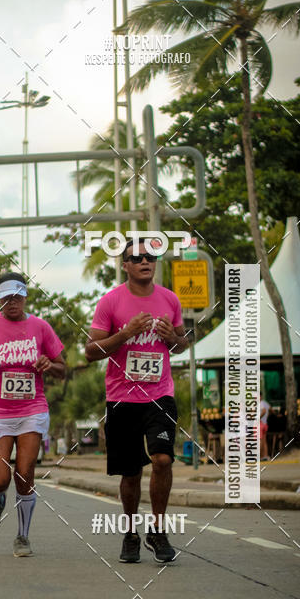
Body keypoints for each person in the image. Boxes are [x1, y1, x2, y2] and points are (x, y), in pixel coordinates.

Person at [85, 239, 189, 564]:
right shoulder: (110, 302)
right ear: (125, 265)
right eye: (137, 257)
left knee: (162, 460)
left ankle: (157, 530)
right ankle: (130, 533)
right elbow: (90, 352)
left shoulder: (170, 299)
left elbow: (181, 343)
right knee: (130, 473)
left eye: (150, 256)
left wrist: (174, 339)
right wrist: (126, 333)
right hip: (121, 399)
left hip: (160, 395)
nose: (145, 261)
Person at [0, 272, 65, 557]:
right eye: (6, 297)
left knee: (24, 473)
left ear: (25, 296)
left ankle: (22, 537)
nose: (12, 302)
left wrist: (49, 364)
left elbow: (62, 368)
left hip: (32, 409)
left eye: (17, 296)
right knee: (0, 480)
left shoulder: (41, 327)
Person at [259, 392, 271, 461]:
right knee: (264, 440)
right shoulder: (264, 403)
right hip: (265, 424)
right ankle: (265, 456)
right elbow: (270, 409)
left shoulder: (260, 403)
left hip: (260, 424)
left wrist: (258, 418)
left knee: (259, 440)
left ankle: (260, 456)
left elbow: (264, 411)